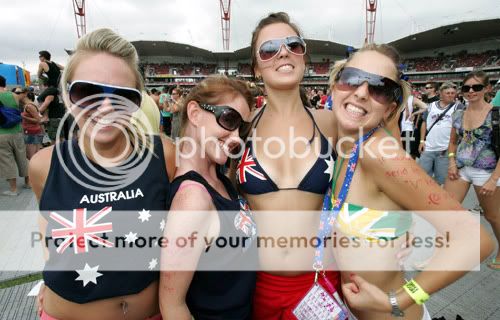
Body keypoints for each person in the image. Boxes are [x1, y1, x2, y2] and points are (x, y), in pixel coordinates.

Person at [326, 44, 493, 319]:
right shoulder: (348, 143)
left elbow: (476, 240)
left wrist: (397, 300)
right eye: (352, 77)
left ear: (390, 107)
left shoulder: (380, 153)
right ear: (335, 84)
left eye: (380, 87)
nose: (362, 92)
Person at [29, 28, 176, 320]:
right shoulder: (44, 165)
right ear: (67, 94)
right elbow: (48, 228)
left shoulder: (164, 155)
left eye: (123, 95)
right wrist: (49, 277)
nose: (106, 106)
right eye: (87, 91)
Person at [235, 12, 342, 318]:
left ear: (303, 57)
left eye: (293, 44)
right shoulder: (240, 130)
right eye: (269, 49)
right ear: (257, 67)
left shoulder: (331, 124)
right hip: (257, 286)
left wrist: (392, 233)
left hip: (322, 283)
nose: (283, 52)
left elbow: (364, 191)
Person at [160, 76, 257, 320]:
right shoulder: (193, 199)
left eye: (241, 128)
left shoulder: (220, 178)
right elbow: (172, 307)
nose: (235, 137)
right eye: (229, 119)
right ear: (194, 113)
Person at [446, 71, 500, 271]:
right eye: (466, 87)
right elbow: (453, 141)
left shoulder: (496, 113)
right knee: (444, 211)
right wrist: (451, 162)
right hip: (460, 168)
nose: (470, 91)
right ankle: (438, 252)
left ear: (487, 88)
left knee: (493, 216)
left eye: (476, 87)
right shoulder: (458, 112)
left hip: (487, 171)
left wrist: (494, 179)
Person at [418, 82, 463, 185]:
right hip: (428, 147)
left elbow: (459, 128)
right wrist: (421, 140)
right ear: (441, 94)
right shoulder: (431, 106)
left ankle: (434, 198)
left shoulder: (458, 106)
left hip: (445, 149)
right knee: (422, 176)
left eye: (453, 93)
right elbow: (424, 123)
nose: (451, 95)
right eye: (448, 93)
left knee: (441, 180)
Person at [0, 87, 30, 196]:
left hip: (1, 134)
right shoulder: (14, 95)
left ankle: (13, 189)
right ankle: (28, 182)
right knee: (22, 156)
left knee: (7, 161)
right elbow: (28, 103)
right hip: (17, 131)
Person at [37, 78, 65, 143]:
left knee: (55, 141)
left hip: (54, 120)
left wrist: (37, 112)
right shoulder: (58, 93)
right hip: (60, 118)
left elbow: (44, 106)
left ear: (44, 85)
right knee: (62, 139)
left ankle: (57, 152)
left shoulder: (50, 94)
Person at [21, 90, 44, 159]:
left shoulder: (29, 106)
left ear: (24, 95)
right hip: (33, 131)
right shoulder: (29, 105)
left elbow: (38, 120)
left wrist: (23, 116)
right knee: (35, 154)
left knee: (31, 156)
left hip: (31, 132)